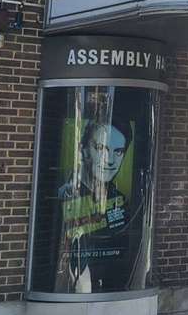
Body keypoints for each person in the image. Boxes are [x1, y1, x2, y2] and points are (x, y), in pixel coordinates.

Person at [55, 119, 147, 293]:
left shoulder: (119, 200)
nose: (110, 160)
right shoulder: (66, 195)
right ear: (83, 151)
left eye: (118, 152)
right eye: (101, 149)